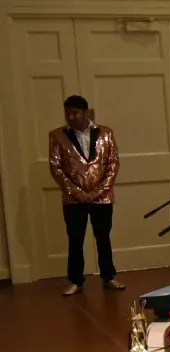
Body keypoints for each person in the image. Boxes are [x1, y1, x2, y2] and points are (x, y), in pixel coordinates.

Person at [50, 95, 123, 295]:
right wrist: (77, 192)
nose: (70, 117)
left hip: (102, 198)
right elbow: (56, 168)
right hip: (74, 200)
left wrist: (97, 192)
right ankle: (75, 280)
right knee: (75, 239)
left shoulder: (106, 133)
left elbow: (113, 164)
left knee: (103, 237)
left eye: (74, 113)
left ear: (85, 113)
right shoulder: (57, 135)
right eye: (67, 113)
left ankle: (109, 277)